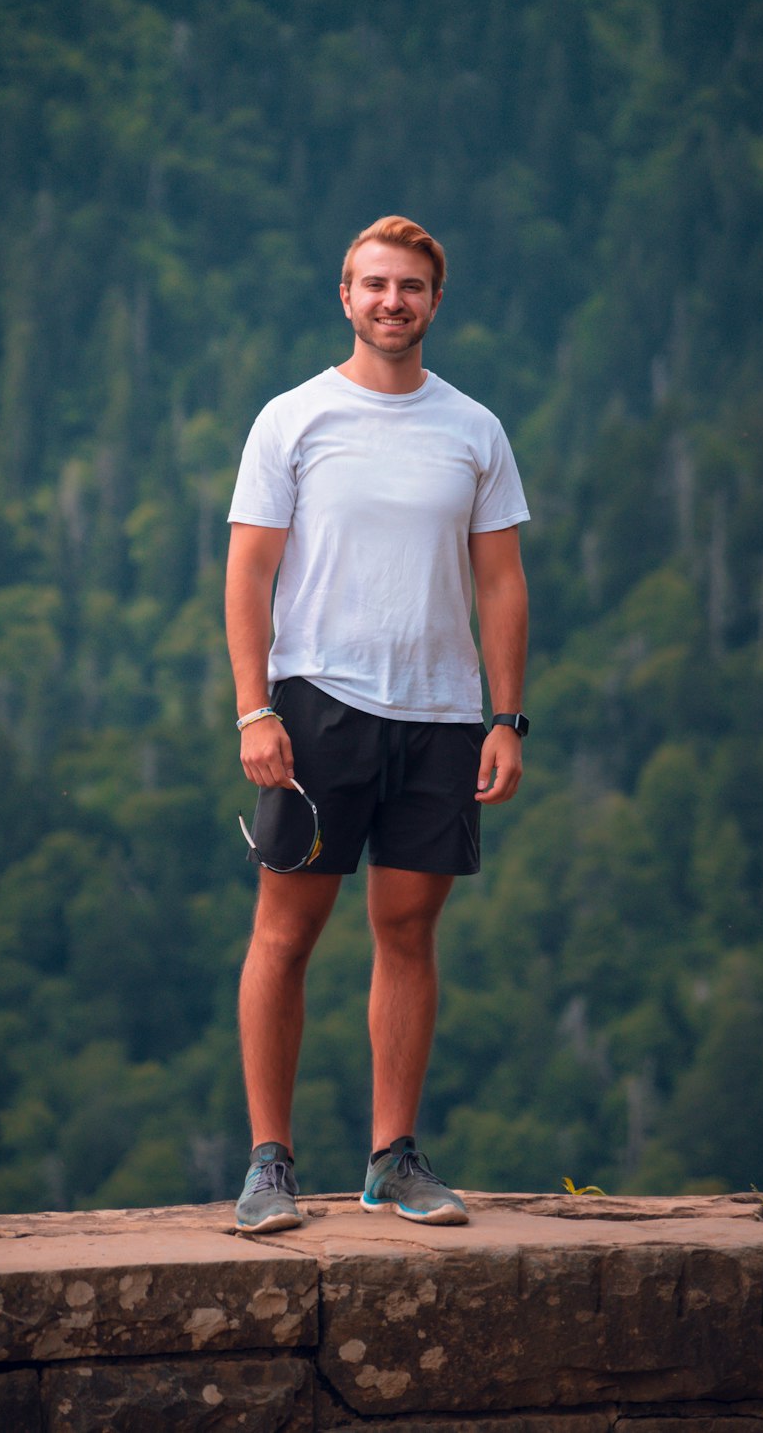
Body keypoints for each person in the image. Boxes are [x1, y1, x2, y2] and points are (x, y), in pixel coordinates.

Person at [225, 215, 530, 1232]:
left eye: (410, 287)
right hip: (317, 708)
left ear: (435, 303)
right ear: (344, 296)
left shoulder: (474, 429)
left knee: (407, 931)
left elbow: (501, 581)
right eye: (373, 285)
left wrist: (506, 717)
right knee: (286, 931)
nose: (391, 301)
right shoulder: (293, 419)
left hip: (442, 716)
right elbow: (248, 572)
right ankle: (270, 1162)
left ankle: (391, 1159)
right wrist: (255, 707)